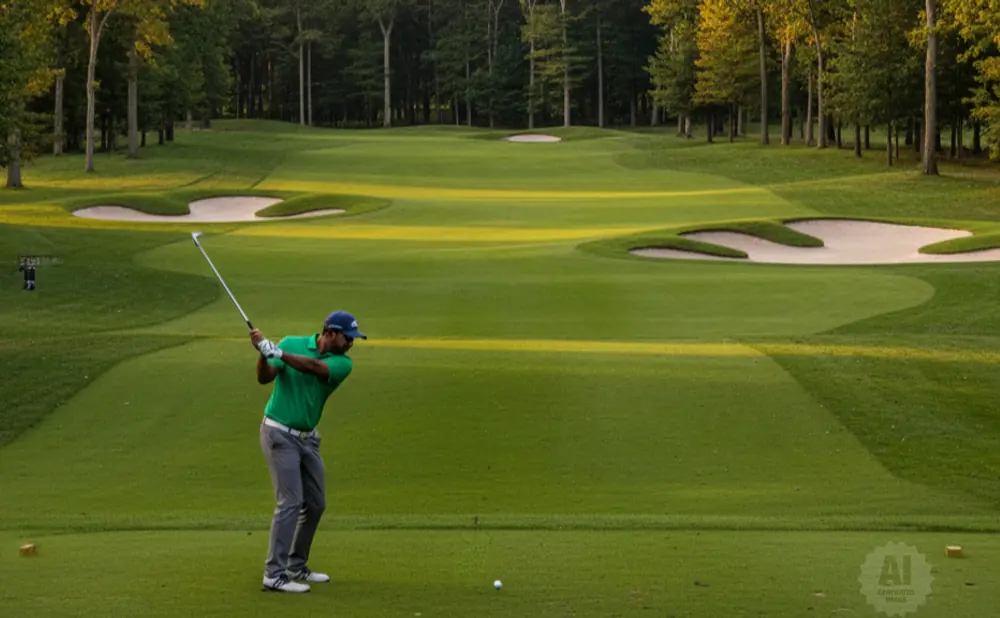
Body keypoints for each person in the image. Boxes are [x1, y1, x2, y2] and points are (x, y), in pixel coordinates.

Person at [250, 310, 367, 593]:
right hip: (278, 433)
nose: (351, 343)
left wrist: (277, 351)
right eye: (347, 337)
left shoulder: (342, 363)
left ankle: (295, 565)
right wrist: (264, 353)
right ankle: (274, 574)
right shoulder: (291, 343)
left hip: (307, 439)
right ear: (330, 332)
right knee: (290, 501)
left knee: (315, 503)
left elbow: (314, 368)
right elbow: (265, 377)